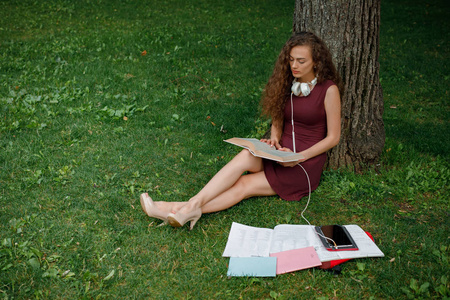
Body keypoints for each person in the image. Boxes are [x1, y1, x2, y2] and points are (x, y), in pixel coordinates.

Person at [140, 31, 342, 230]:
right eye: (291, 60)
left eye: (301, 61)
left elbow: (333, 137)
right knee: (247, 154)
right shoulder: (288, 84)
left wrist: (299, 157)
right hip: (280, 153)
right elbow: (278, 121)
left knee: (244, 184)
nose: (294, 66)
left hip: (304, 164)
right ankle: (192, 206)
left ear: (316, 62)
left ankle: (172, 209)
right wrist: (274, 140)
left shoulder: (328, 90)